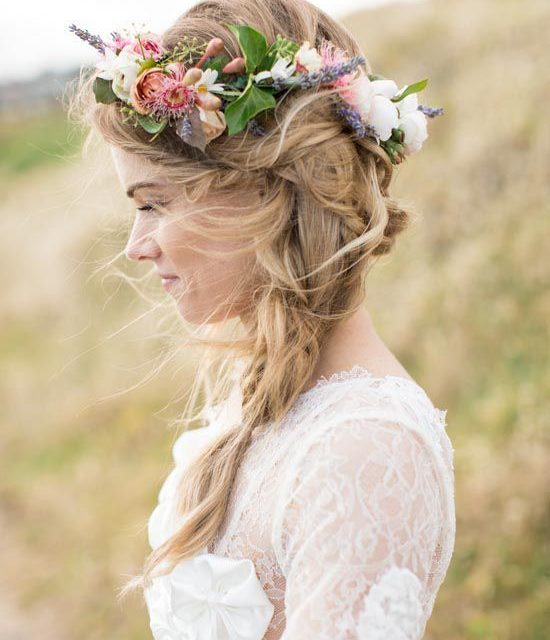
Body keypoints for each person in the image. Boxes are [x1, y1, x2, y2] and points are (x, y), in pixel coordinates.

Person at [66, 0, 455, 638]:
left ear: (262, 194)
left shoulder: (364, 448)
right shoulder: (266, 403)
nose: (136, 245)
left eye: (155, 202)